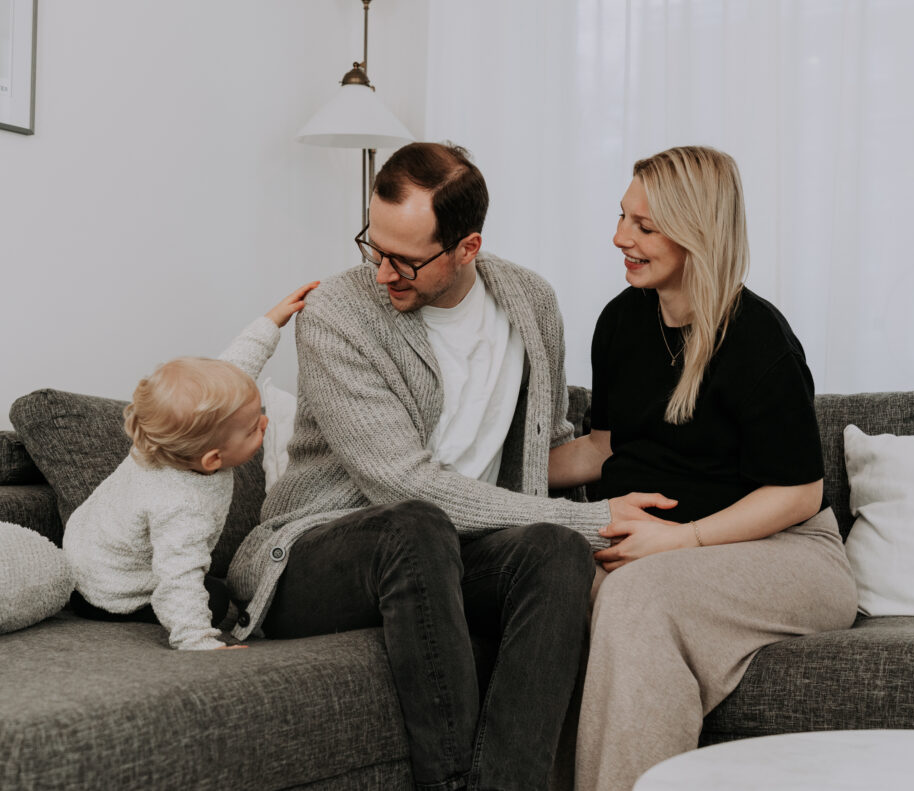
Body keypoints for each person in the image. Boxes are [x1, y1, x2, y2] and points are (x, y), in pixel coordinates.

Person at [226, 142, 672, 791]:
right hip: (317, 553)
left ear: (467, 247)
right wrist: (597, 520)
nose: (381, 273)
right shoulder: (336, 314)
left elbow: (547, 446)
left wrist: (624, 526)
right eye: (371, 247)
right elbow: (404, 485)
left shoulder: (530, 302)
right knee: (417, 524)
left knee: (555, 551)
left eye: (404, 261)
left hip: (457, 555)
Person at [547, 146, 859, 790]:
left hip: (790, 552)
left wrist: (679, 540)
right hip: (655, 549)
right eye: (622, 217)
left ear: (696, 232)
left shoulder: (759, 340)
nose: (619, 237)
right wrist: (476, 483)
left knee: (635, 595)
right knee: (548, 582)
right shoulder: (620, 321)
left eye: (644, 226)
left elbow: (800, 492)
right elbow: (603, 448)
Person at [61, 282, 319, 651]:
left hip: (87, 552)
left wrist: (271, 322)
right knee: (214, 597)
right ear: (212, 459)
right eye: (252, 429)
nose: (264, 423)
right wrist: (197, 638)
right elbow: (178, 575)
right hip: (108, 595)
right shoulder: (182, 504)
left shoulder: (162, 440)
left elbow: (234, 368)